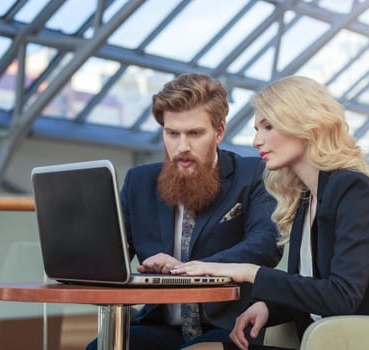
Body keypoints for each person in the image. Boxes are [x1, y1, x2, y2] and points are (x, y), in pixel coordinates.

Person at [171, 76, 369, 350]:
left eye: (268, 127)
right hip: (337, 339)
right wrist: (267, 308)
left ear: (305, 125)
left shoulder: (353, 188)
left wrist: (248, 271)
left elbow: (341, 297)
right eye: (257, 128)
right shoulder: (306, 196)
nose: (256, 140)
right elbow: (314, 288)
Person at [86, 73, 282, 350]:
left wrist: (187, 270)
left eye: (194, 133)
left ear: (219, 131)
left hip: (228, 327)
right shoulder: (138, 182)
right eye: (172, 133)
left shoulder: (252, 175)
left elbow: (265, 245)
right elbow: (110, 256)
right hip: (159, 325)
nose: (182, 147)